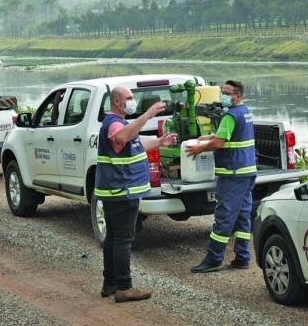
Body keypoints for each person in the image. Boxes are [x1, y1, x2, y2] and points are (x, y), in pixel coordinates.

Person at [96, 86, 176, 302]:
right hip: (122, 191)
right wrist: (148, 114)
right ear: (116, 103)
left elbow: (135, 142)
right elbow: (122, 137)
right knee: (123, 239)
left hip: (116, 191)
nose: (132, 101)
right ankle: (124, 287)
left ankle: (111, 283)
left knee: (113, 237)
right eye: (129, 98)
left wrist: (160, 142)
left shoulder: (119, 123)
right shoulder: (115, 123)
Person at [187, 79, 256, 273]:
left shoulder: (231, 115)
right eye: (222, 92)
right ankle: (243, 257)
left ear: (238, 96)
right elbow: (229, 135)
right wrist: (210, 137)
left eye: (227, 93)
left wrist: (199, 148)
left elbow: (220, 143)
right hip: (248, 172)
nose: (223, 96)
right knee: (243, 215)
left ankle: (214, 258)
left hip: (233, 173)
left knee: (224, 216)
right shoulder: (246, 111)